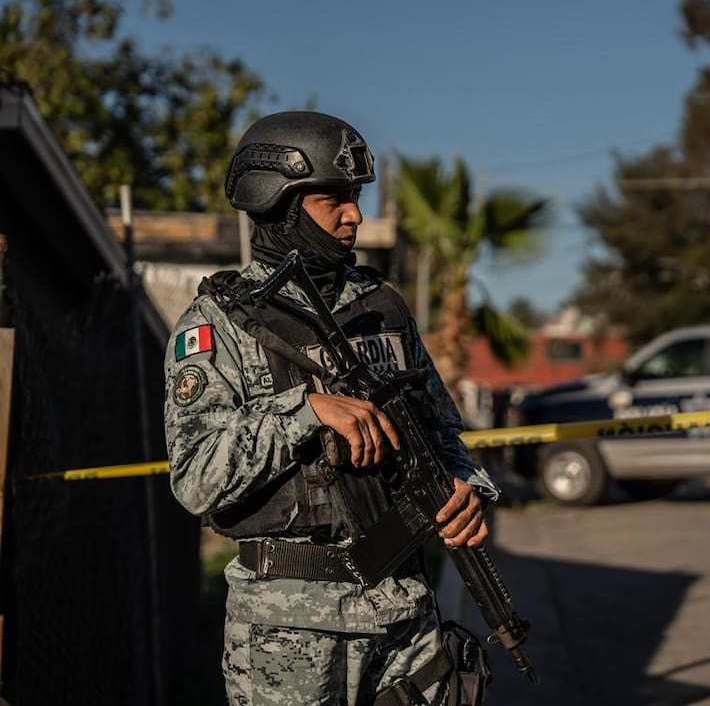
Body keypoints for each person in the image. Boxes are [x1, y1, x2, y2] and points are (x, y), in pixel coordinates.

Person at [163, 111, 497, 705]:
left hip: (405, 616)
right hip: (289, 631)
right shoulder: (219, 325)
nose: (356, 215)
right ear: (279, 201)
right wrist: (308, 410)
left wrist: (466, 485)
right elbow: (195, 479)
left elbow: (443, 430)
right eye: (335, 199)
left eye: (357, 196)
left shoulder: (383, 307)